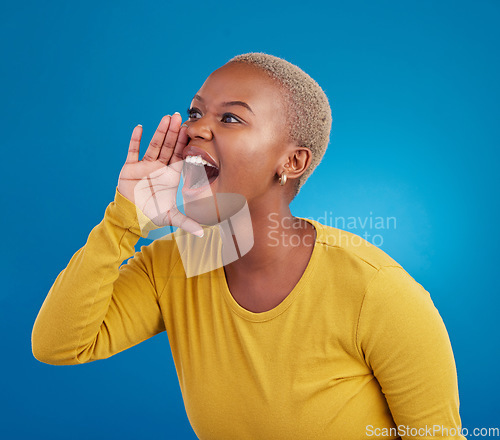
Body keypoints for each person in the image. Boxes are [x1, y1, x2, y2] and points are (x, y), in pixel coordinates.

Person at [32, 52, 465, 439]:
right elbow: (59, 345)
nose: (196, 128)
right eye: (196, 112)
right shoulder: (182, 261)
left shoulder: (375, 292)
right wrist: (125, 217)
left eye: (231, 118)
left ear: (292, 162)